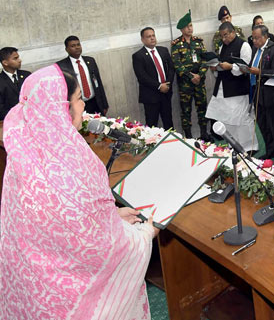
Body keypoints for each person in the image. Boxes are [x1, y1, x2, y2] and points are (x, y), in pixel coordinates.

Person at [0, 65, 158, 319]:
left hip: (34, 289)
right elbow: (103, 249)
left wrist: (111, 217)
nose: (83, 107)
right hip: (74, 304)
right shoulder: (75, 166)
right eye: (78, 100)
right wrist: (144, 234)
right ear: (61, 108)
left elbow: (64, 226)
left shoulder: (22, 156)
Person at [206, 22, 258, 154]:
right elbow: (220, 68)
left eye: (226, 35)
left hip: (238, 88)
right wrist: (216, 67)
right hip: (223, 88)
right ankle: (233, 145)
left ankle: (249, 147)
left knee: (241, 119)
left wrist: (231, 67)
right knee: (226, 118)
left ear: (233, 32)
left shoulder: (244, 45)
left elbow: (246, 68)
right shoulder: (223, 46)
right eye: (222, 36)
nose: (224, 39)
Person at [170, 10, 210, 140]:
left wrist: (199, 75)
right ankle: (189, 138)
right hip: (185, 86)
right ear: (182, 29)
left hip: (199, 83)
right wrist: (191, 76)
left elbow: (205, 60)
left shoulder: (198, 42)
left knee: (202, 109)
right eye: (187, 26)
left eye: (191, 25)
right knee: (186, 112)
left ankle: (204, 134)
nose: (190, 28)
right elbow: (177, 65)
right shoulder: (176, 45)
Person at [249, 24, 274, 164]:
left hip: (270, 92)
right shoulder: (255, 49)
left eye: (257, 38)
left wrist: (260, 72)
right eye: (253, 38)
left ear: (265, 36)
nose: (254, 41)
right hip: (257, 92)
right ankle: (270, 151)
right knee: (262, 124)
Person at [132, 27, 175, 129]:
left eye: (153, 35)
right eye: (148, 36)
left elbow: (171, 69)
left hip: (166, 93)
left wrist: (167, 84)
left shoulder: (163, 50)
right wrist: (159, 86)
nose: (152, 38)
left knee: (168, 122)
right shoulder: (138, 56)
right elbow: (142, 77)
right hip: (150, 96)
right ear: (143, 40)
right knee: (152, 125)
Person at [56, 35, 109, 115]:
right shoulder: (62, 66)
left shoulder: (90, 61)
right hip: (78, 105)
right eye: (73, 46)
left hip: (95, 103)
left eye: (78, 44)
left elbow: (99, 83)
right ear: (66, 49)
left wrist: (104, 104)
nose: (77, 47)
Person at [0, 47, 31, 121]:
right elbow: (1, 109)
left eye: (18, 57)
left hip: (32, 118)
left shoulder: (27, 75)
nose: (19, 60)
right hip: (12, 121)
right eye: (15, 58)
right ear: (5, 63)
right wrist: (17, 117)